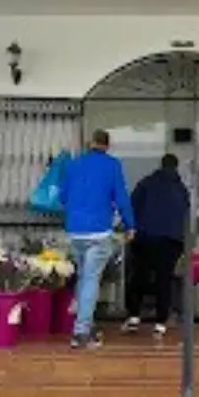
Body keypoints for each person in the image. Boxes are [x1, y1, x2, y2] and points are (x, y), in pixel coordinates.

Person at [60, 128, 136, 349]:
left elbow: (63, 197)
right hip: (98, 231)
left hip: (74, 230)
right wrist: (130, 225)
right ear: (107, 145)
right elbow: (121, 197)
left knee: (84, 278)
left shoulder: (73, 165)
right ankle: (81, 332)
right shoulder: (112, 165)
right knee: (91, 279)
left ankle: (87, 325)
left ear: (89, 143)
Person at [122, 153, 191, 340]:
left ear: (161, 165)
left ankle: (134, 317)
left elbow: (132, 206)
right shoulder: (182, 189)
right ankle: (160, 324)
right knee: (164, 281)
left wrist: (130, 228)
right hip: (171, 241)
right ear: (176, 168)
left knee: (138, 276)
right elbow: (185, 217)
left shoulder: (146, 183)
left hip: (146, 237)